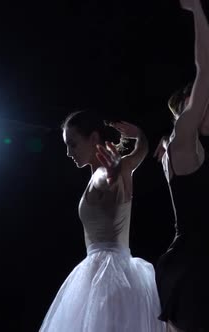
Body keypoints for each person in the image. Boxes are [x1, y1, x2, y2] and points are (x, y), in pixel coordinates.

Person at [152, 0, 209, 331]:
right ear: (193, 103)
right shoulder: (183, 135)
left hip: (202, 260)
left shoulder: (182, 144)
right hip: (193, 262)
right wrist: (196, 8)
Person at [39, 110, 165, 332]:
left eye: (73, 144)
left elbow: (105, 180)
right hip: (125, 270)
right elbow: (141, 151)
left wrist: (111, 171)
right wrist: (140, 136)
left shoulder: (104, 174)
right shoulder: (126, 166)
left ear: (94, 139)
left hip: (104, 273)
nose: (69, 152)